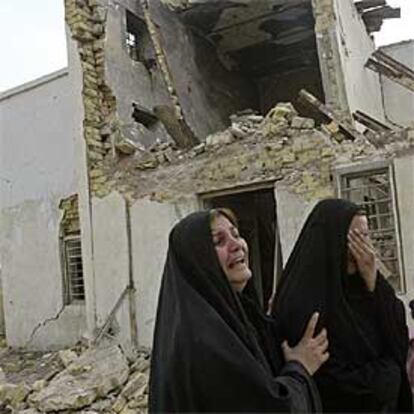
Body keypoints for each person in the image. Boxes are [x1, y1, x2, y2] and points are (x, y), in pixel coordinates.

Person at [149, 208, 329, 413]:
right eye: (219, 241)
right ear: (199, 261)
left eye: (236, 234)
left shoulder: (232, 317)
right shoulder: (205, 339)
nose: (237, 245)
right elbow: (267, 408)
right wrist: (300, 368)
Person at [271, 198, 412, 412]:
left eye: (365, 237)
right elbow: (330, 383)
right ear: (332, 241)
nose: (363, 249)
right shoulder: (305, 302)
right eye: (355, 238)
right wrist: (388, 376)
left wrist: (374, 281)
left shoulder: (366, 289)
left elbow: (398, 338)